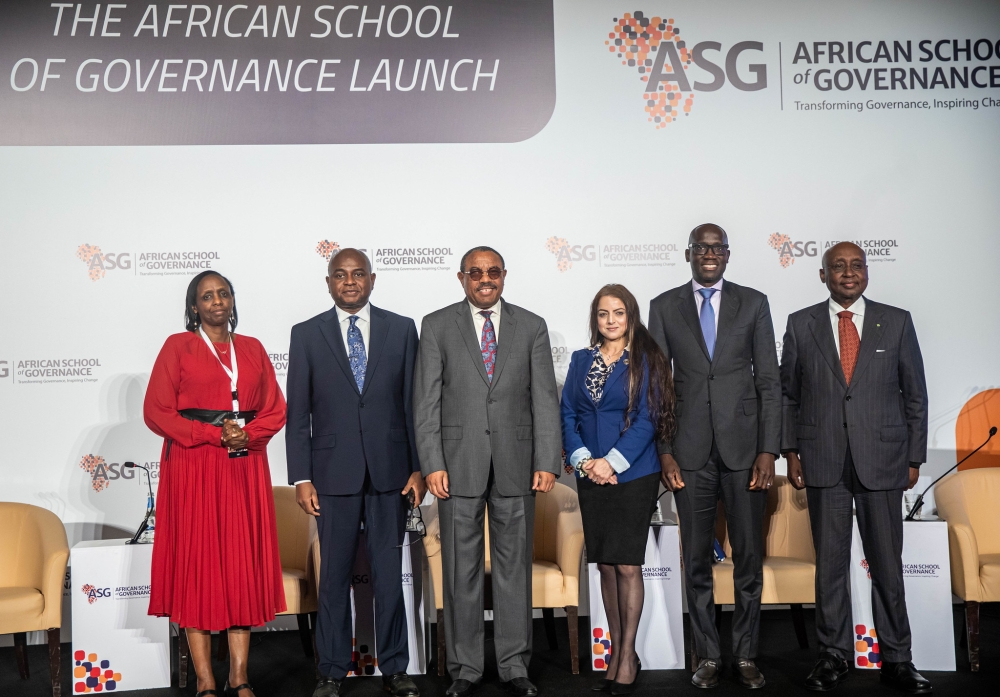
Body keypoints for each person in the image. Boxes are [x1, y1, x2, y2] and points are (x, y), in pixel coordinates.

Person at [780, 242, 932, 694]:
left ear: (867, 272)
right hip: (822, 459)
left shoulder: (896, 321)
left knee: (887, 563)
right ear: (823, 276)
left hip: (883, 460)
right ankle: (833, 655)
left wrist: (914, 457)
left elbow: (916, 395)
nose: (849, 273)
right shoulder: (800, 323)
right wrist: (791, 453)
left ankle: (898, 658)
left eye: (857, 266)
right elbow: (789, 395)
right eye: (838, 267)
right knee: (828, 567)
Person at [413, 246, 561, 697]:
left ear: (504, 276)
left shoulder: (531, 326)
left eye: (492, 272)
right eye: (475, 273)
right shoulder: (436, 325)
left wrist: (546, 460)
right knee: (461, 571)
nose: (484, 279)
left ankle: (515, 665)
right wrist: (432, 463)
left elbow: (543, 401)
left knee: (515, 570)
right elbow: (426, 403)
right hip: (456, 468)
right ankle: (465, 668)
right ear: (461, 278)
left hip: (518, 466)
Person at [285, 249, 425, 697]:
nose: (349, 281)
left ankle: (396, 666)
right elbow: (298, 414)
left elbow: (413, 406)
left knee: (389, 575)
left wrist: (419, 467)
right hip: (331, 475)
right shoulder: (306, 334)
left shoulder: (402, 329)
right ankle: (331, 668)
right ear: (328, 282)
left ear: (372, 279)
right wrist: (301, 476)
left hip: (391, 472)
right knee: (334, 579)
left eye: (358, 274)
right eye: (340, 275)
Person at [647, 223, 781, 689]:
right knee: (697, 560)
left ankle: (745, 655)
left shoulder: (755, 303)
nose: (709, 254)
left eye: (717, 247)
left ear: (728, 254)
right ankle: (706, 654)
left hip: (746, 452)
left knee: (748, 559)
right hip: (689, 453)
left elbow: (769, 381)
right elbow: (659, 387)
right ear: (688, 254)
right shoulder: (664, 306)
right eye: (701, 248)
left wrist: (769, 450)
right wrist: (664, 452)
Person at [144, 271, 287, 697]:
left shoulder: (253, 348)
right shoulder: (178, 346)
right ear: (194, 307)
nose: (217, 301)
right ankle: (206, 681)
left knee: (240, 565)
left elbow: (275, 409)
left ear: (232, 300)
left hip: (244, 468)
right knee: (199, 566)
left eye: (223, 293)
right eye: (207, 296)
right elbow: (157, 412)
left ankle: (239, 676)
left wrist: (250, 433)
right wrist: (213, 434)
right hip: (194, 466)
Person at [560, 284, 676, 696]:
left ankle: (627, 656)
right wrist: (584, 461)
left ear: (632, 317)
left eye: (619, 313)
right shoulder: (580, 359)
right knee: (605, 565)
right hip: (590, 474)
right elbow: (568, 412)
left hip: (633, 473)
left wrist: (612, 461)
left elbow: (649, 418)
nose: (610, 320)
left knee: (628, 565)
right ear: (595, 318)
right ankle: (615, 652)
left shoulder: (647, 360)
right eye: (603, 313)